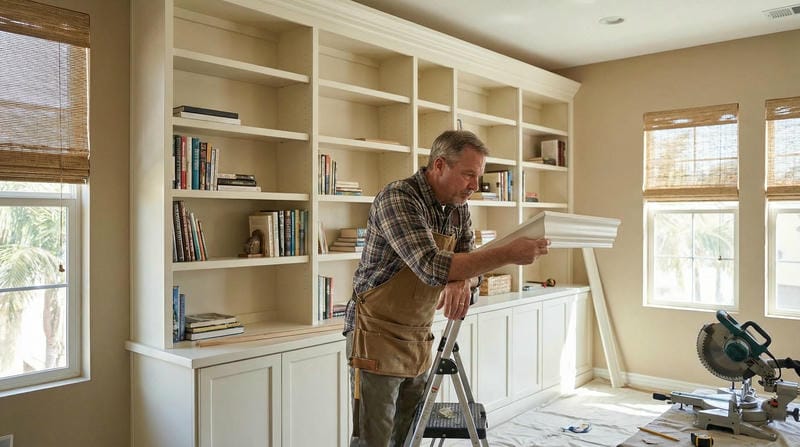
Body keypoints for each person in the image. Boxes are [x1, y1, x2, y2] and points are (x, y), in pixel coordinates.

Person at [343, 129, 550, 446]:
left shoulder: (458, 208)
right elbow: (430, 266)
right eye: (468, 174)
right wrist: (507, 254)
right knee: (375, 438)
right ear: (438, 165)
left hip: (418, 334)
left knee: (408, 434)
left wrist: (461, 280)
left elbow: (470, 266)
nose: (474, 186)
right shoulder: (399, 198)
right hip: (375, 335)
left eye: (477, 176)